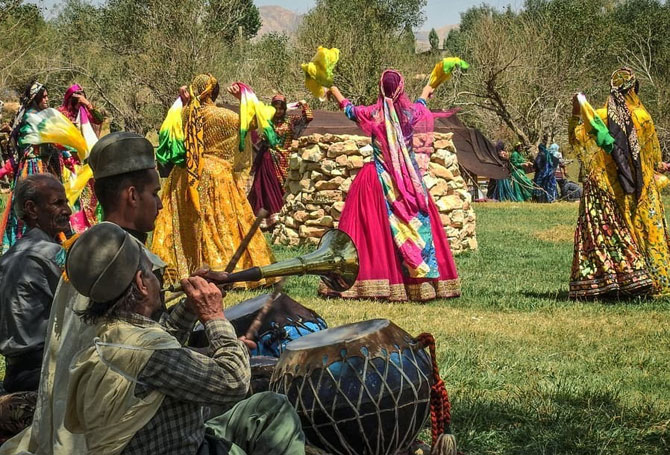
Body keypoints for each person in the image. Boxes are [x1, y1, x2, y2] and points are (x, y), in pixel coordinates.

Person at [60, 222, 305, 454]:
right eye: (153, 273)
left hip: (166, 440)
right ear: (141, 284)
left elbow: (157, 340)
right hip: (186, 449)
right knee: (275, 410)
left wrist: (189, 307)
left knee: (265, 408)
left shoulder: (111, 334)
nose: (159, 280)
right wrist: (213, 317)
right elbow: (234, 382)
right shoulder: (148, 355)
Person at [0, 132, 167, 454]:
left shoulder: (83, 251)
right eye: (154, 193)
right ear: (132, 195)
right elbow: (144, 356)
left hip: (63, 403)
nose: (160, 203)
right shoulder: (123, 264)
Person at [322, 70, 460, 301]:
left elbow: (348, 108)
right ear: (401, 89)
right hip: (407, 183)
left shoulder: (372, 113)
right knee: (413, 226)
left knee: (374, 234)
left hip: (377, 180)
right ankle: (420, 284)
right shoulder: (410, 113)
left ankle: (373, 281)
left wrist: (332, 88)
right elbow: (421, 105)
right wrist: (427, 90)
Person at [152, 74, 277, 289]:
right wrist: (243, 99)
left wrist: (185, 103)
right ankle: (227, 271)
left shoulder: (183, 115)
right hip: (217, 175)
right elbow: (254, 123)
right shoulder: (226, 117)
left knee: (188, 223)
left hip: (185, 175)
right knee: (220, 221)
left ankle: (186, 269)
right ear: (213, 92)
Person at [567, 72, 663, 298]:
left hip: (605, 187)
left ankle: (608, 280)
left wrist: (575, 112)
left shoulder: (600, 116)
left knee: (608, 234)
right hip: (639, 186)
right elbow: (651, 157)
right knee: (643, 232)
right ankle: (647, 279)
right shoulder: (644, 117)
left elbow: (575, 139)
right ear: (634, 91)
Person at [0, 174, 71, 392]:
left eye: (66, 202)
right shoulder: (50, 255)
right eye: (58, 203)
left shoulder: (9, 255)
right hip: (42, 372)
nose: (68, 210)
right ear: (32, 209)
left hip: (16, 372)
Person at [0, 81, 79, 253]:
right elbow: (52, 137)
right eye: (43, 96)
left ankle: (56, 236)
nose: (46, 99)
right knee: (39, 202)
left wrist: (70, 153)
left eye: (47, 96)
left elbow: (55, 138)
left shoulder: (43, 115)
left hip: (46, 164)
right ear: (34, 98)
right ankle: (33, 239)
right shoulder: (31, 117)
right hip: (34, 167)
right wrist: (72, 147)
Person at [247, 94, 313, 227]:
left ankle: (284, 216)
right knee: (266, 188)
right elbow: (252, 123)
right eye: (275, 108)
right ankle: (269, 220)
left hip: (285, 159)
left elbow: (308, 117)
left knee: (285, 187)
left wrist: (303, 104)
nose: (278, 111)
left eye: (281, 108)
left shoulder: (291, 121)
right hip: (268, 158)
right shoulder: (266, 120)